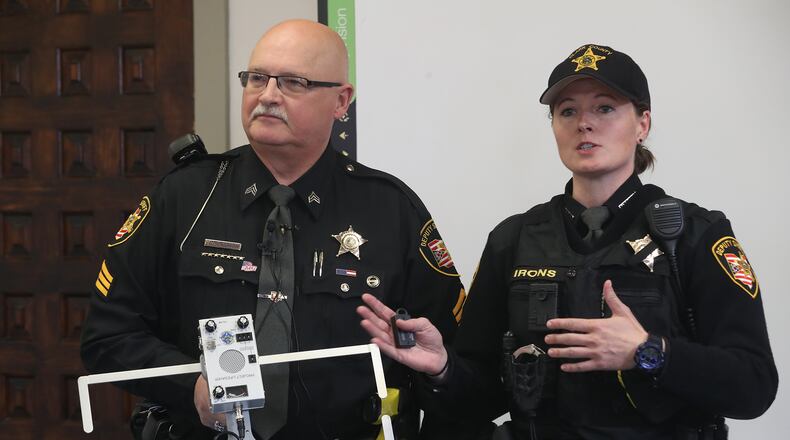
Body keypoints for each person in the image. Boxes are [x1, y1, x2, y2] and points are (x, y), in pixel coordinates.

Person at [358, 44, 778, 439]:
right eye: (567, 111)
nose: (584, 123)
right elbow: (483, 394)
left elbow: (754, 385)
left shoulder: (694, 236)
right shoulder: (515, 239)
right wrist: (445, 368)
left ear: (643, 124)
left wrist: (648, 352)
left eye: (605, 108)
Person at [81, 19, 465, 440]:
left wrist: (443, 372)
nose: (267, 96)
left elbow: (459, 365)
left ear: (341, 101)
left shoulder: (391, 209)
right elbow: (108, 336)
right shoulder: (184, 197)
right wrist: (188, 387)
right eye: (257, 78)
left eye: (293, 83)